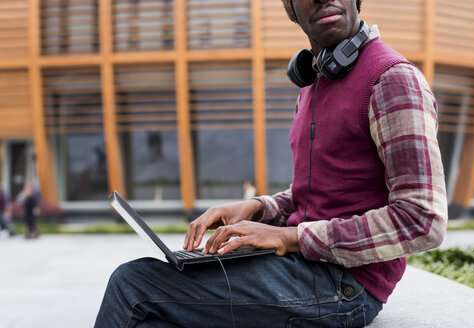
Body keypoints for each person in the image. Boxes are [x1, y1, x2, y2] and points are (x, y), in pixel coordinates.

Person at [94, 1, 447, 327]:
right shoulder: (313, 83)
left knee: (133, 285)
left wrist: (289, 237)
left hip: (345, 285)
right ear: (291, 8)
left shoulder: (392, 80)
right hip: (306, 268)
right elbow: (318, 195)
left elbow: (422, 219)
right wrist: (258, 208)